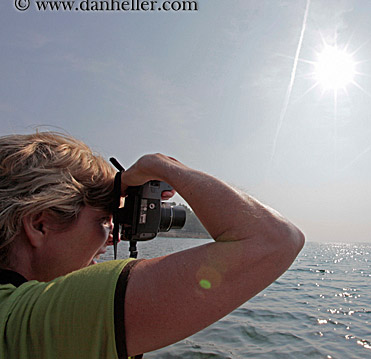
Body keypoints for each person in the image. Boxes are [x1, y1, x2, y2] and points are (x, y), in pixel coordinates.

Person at [0, 131, 305, 359]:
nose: (113, 236)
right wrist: (163, 167)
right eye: (104, 221)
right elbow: (276, 240)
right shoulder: (33, 321)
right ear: (40, 225)